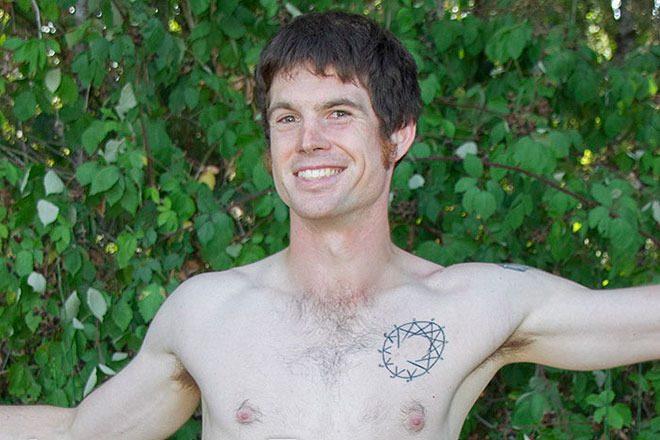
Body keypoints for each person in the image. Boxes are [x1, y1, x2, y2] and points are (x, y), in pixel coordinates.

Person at [1, 10, 659, 440]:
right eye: (286, 118)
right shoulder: (207, 313)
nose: (308, 140)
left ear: (398, 135)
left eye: (339, 113)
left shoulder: (476, 305)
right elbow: (79, 432)